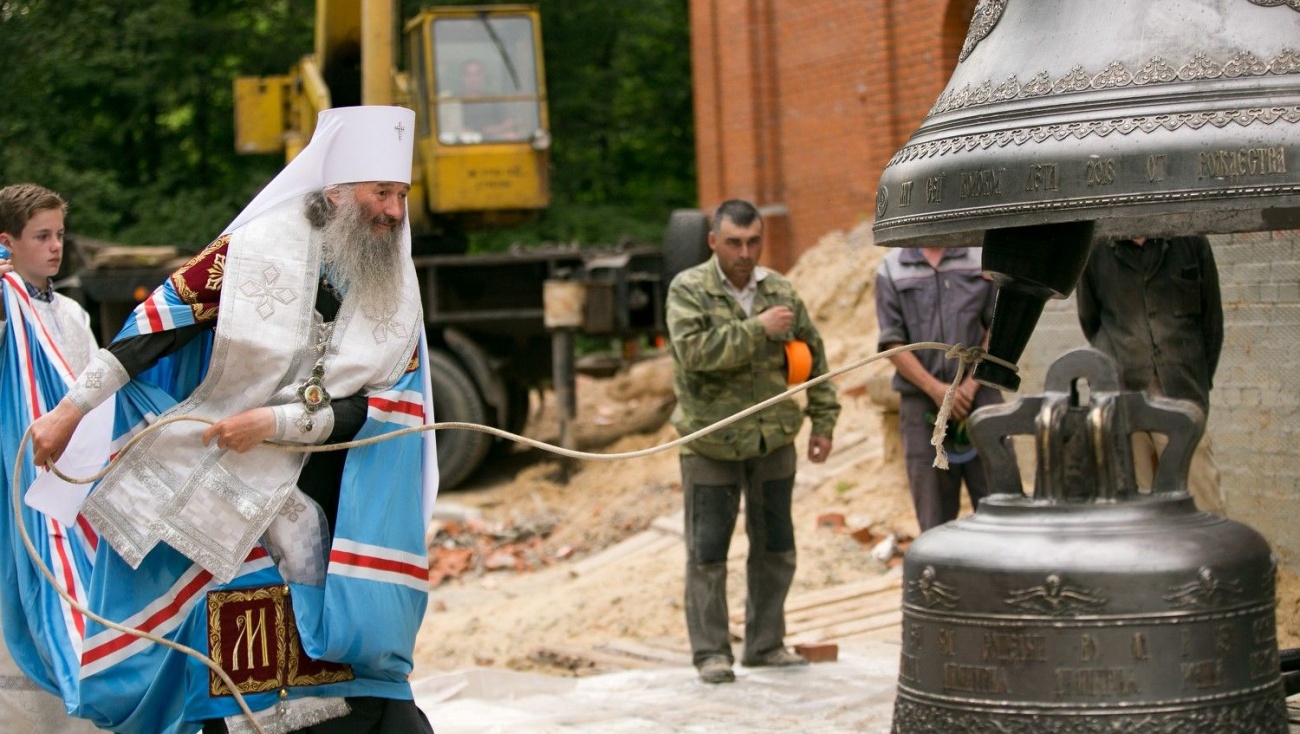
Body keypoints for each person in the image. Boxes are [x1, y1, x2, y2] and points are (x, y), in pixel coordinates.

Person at [15, 106, 440, 734]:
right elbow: (154, 327)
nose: (395, 212)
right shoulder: (250, 252)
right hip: (231, 485)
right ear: (336, 192)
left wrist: (277, 422)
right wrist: (69, 413)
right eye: (382, 193)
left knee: (363, 689)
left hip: (342, 498)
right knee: (241, 681)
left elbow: (389, 406)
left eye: (401, 195)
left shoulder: (396, 284)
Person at [666, 199, 840, 684]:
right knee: (707, 554)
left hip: (773, 442)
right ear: (713, 242)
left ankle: (765, 645)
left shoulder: (780, 290)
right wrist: (756, 329)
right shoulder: (689, 289)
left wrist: (823, 421)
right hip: (711, 444)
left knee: (776, 548)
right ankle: (711, 654)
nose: (745, 253)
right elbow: (692, 352)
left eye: (753, 242)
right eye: (734, 243)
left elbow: (815, 358)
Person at [0, 183, 103, 733]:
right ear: (6, 243)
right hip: (16, 474)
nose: (56, 246)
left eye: (60, 234)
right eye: (41, 236)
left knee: (78, 589)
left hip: (73, 472)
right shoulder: (5, 308)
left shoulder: (73, 313)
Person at [1076, 234, 1224, 514]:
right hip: (1124, 399)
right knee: (1136, 509)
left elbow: (1211, 322)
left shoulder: (1189, 239)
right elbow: (1090, 320)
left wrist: (1195, 384)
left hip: (1181, 396)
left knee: (1203, 502)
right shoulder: (1096, 249)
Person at [875, 246, 1003, 534]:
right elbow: (891, 342)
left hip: (980, 397)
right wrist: (936, 390)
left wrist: (970, 385)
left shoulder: (983, 257)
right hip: (922, 405)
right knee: (933, 519)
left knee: (1001, 505)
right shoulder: (892, 268)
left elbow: (998, 326)